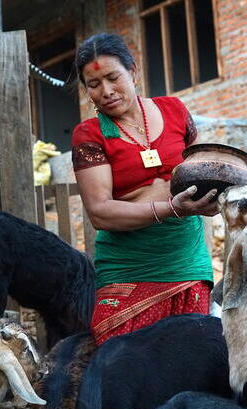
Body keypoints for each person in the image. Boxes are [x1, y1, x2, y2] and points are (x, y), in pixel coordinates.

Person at [71, 33, 219, 346]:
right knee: (124, 368)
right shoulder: (90, 135)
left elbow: (201, 171)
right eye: (93, 84)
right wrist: (173, 208)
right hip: (128, 268)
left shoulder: (175, 111)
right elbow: (100, 212)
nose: (106, 91)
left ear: (133, 72)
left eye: (113, 77)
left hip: (186, 262)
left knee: (191, 362)